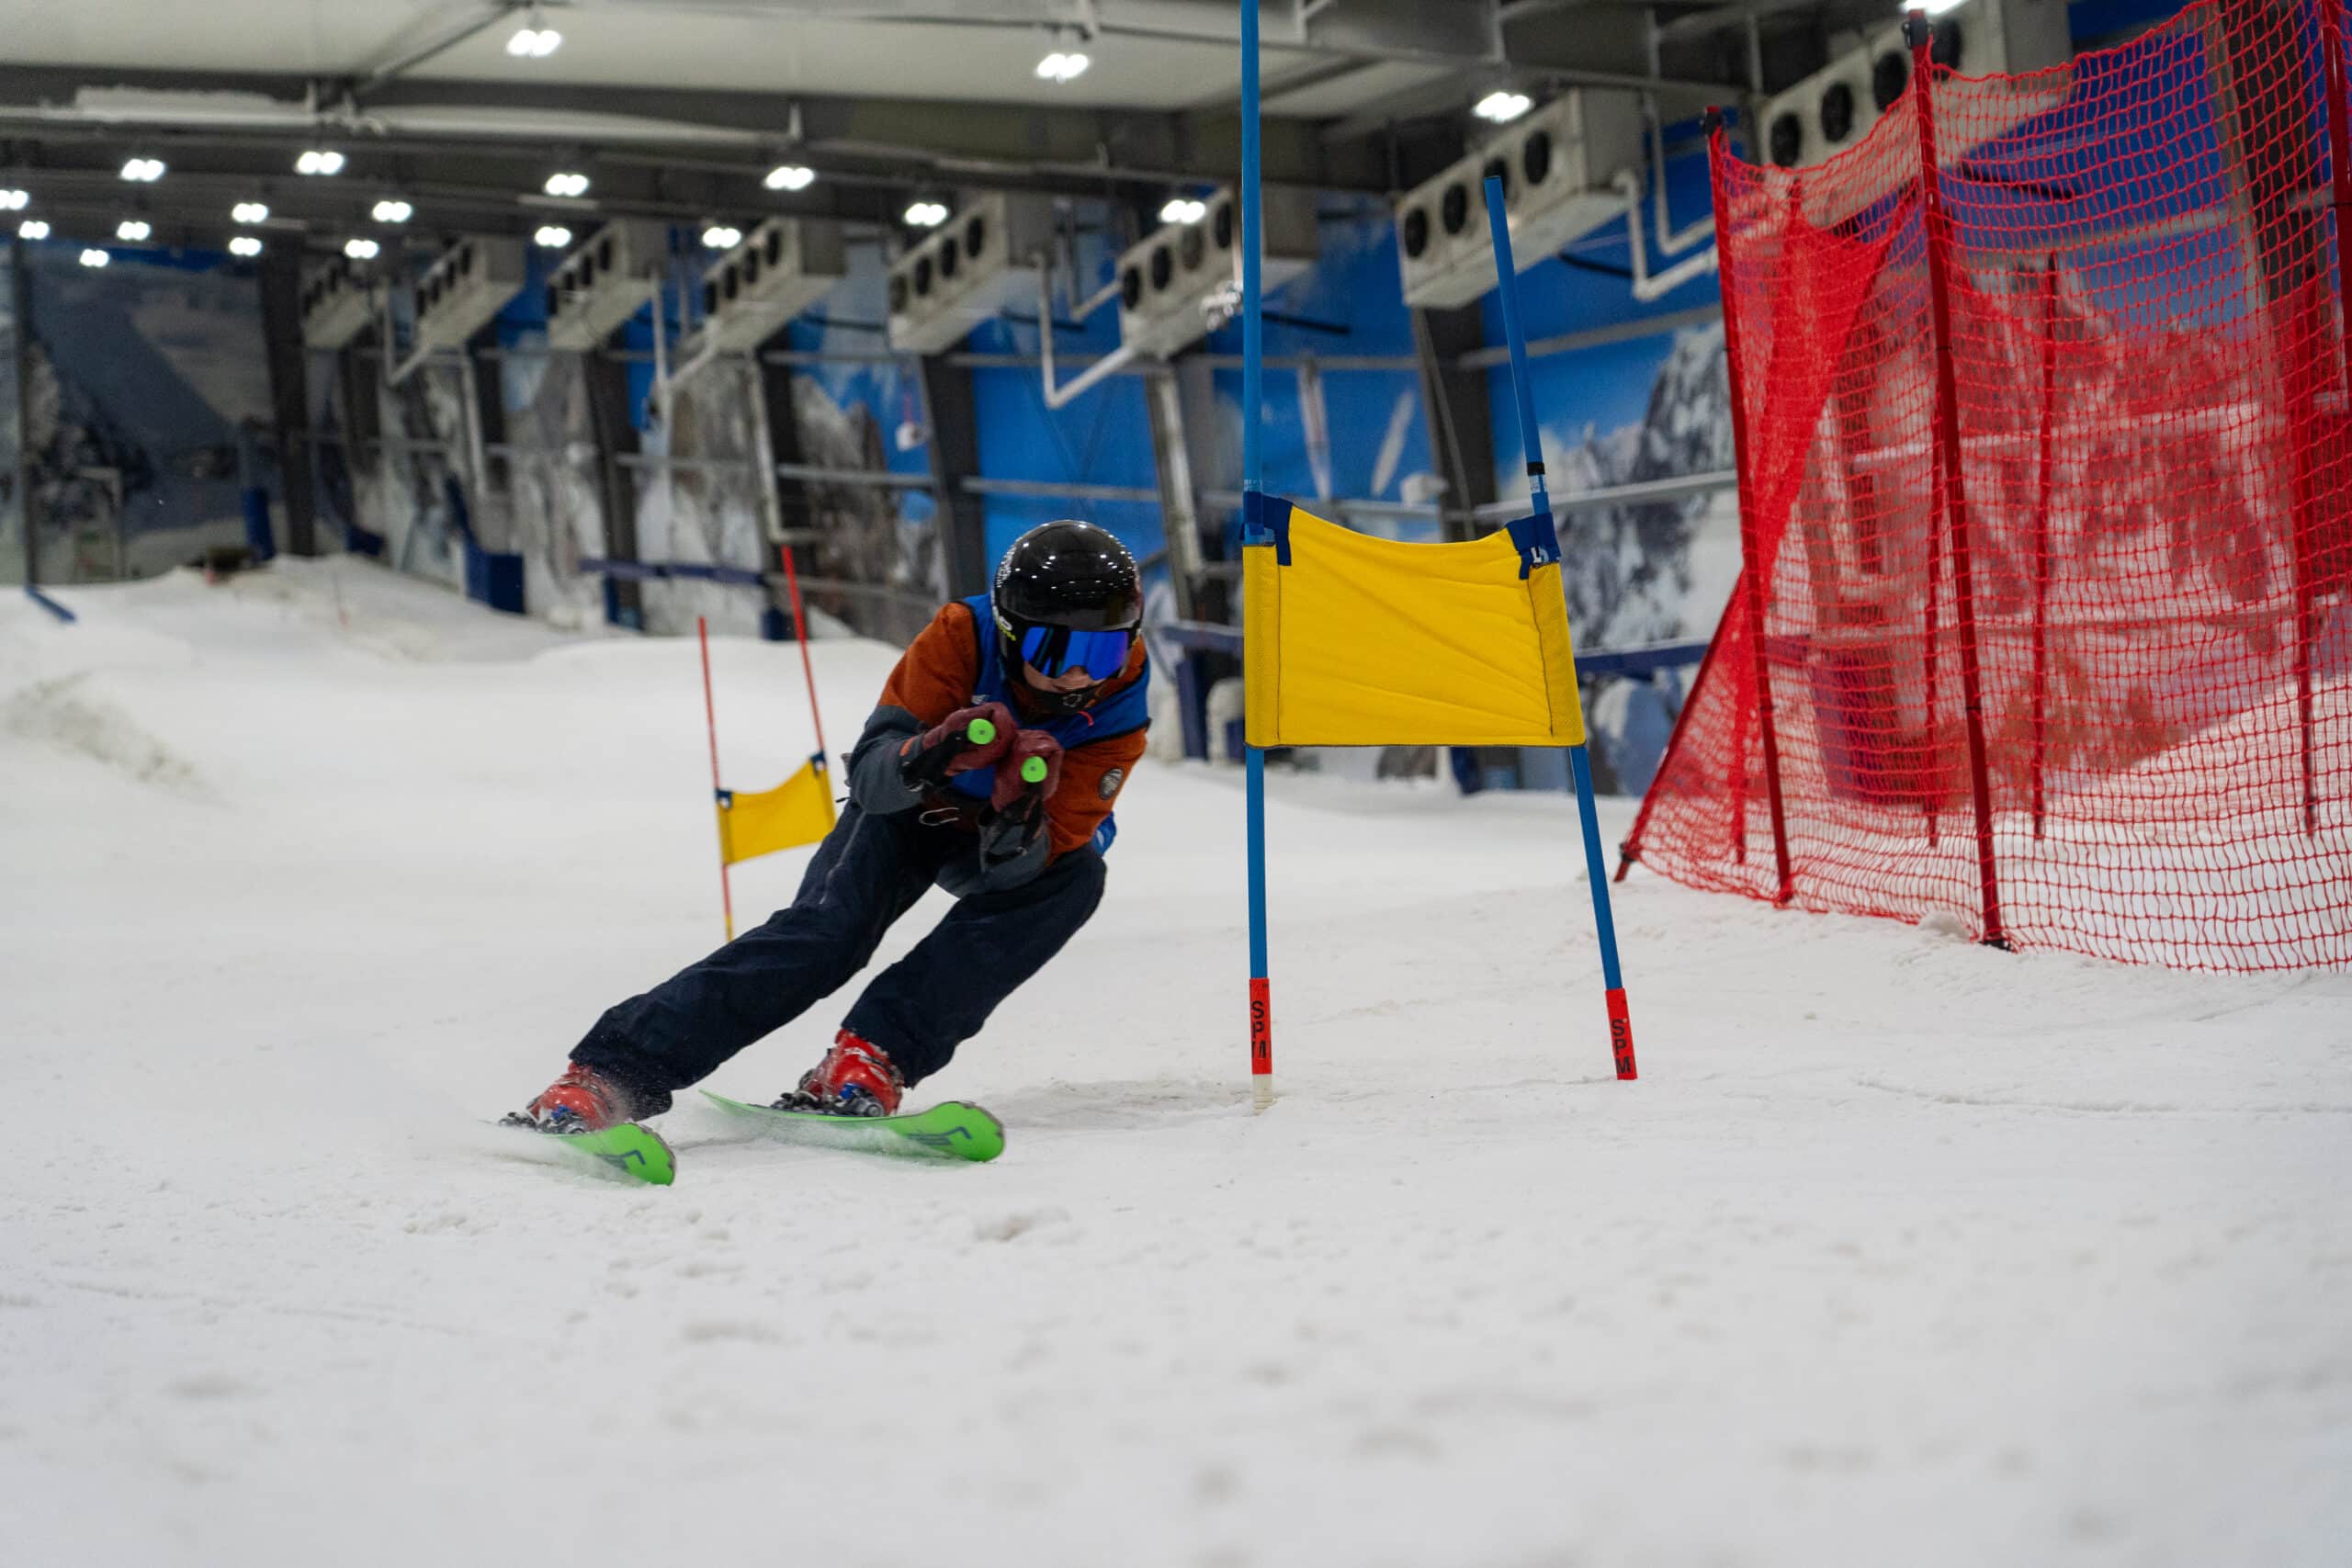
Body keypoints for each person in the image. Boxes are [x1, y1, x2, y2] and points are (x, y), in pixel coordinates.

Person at [513, 519, 1149, 1129]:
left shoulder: (1120, 703)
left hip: (990, 836)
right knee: (827, 936)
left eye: (1104, 649)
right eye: (1055, 648)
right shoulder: (963, 635)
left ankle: (873, 1055)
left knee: (1076, 878)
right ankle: (609, 1071)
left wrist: (1017, 815)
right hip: (908, 810)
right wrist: (928, 754)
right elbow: (871, 777)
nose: (1080, 675)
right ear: (1010, 634)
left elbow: (1021, 871)